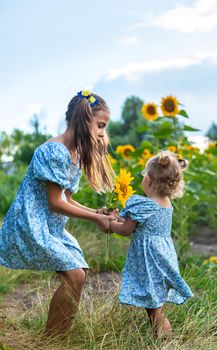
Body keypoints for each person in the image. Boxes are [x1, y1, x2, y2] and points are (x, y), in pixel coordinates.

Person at [0, 90, 115, 337]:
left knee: (79, 273)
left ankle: (58, 336)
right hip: (32, 223)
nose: (102, 133)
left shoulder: (75, 153)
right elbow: (55, 203)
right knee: (74, 274)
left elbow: (67, 198)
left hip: (51, 226)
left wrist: (97, 211)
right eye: (100, 125)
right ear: (85, 119)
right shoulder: (54, 151)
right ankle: (50, 339)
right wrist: (97, 219)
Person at [109, 150, 193, 338]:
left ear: (148, 180)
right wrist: (118, 219)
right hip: (163, 257)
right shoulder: (166, 204)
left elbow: (125, 230)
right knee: (155, 305)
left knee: (154, 309)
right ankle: (162, 339)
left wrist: (110, 223)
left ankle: (164, 341)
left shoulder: (144, 204)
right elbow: (137, 224)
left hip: (149, 261)